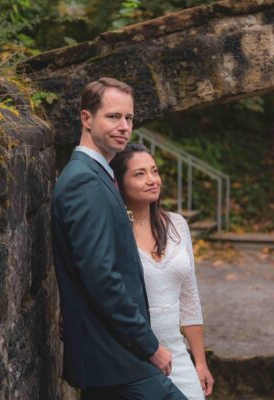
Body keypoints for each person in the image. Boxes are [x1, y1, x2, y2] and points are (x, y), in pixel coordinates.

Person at [51, 77, 188, 400]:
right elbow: (101, 276)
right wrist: (149, 345)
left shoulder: (98, 175)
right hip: (116, 358)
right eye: (113, 117)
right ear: (86, 119)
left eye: (129, 118)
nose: (124, 126)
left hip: (111, 356)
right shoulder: (84, 181)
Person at [110, 143, 214, 399]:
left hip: (177, 354)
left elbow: (189, 298)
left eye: (154, 171)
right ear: (119, 183)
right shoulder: (114, 231)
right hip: (135, 356)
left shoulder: (177, 225)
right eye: (139, 174)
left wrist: (199, 362)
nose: (152, 180)